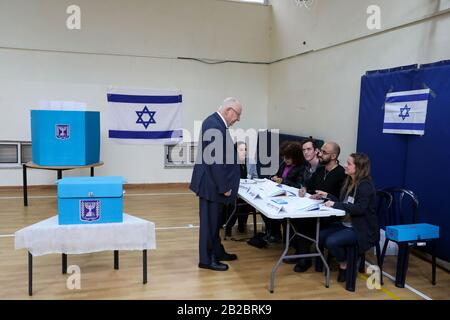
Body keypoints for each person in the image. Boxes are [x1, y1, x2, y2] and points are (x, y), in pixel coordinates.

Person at [190, 97, 242, 271]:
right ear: (229, 111)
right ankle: (206, 259)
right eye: (237, 115)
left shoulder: (216, 122)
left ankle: (217, 251)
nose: (238, 119)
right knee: (209, 224)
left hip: (212, 183)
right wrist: (224, 186)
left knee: (215, 222)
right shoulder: (214, 125)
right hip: (212, 184)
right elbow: (215, 161)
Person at [316, 153, 378, 282]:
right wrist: (327, 195)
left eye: (349, 164)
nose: (345, 165)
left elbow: (360, 209)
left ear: (359, 168)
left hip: (360, 229)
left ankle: (345, 263)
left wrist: (335, 204)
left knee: (331, 241)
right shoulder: (349, 181)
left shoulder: (365, 186)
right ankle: (346, 260)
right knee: (320, 236)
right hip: (346, 224)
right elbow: (343, 202)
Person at [293, 141, 346, 272]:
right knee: (295, 219)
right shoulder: (320, 170)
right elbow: (309, 184)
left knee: (304, 223)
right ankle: (301, 254)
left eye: (323, 152)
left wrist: (326, 196)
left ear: (333, 156)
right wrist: (304, 189)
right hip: (316, 209)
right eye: (320, 151)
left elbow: (341, 199)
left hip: (331, 214)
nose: (319, 154)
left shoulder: (341, 174)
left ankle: (305, 259)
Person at [263, 141, 305, 243]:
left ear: (296, 157)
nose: (285, 160)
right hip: (280, 194)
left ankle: (278, 235)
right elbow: (276, 175)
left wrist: (283, 181)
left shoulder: (302, 167)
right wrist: (273, 177)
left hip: (291, 198)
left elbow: (298, 186)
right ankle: (273, 232)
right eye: (284, 157)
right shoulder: (284, 164)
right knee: (264, 207)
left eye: (288, 158)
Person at [223, 141, 257, 236]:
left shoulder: (251, 161)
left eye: (245, 149)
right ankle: (229, 225)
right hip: (233, 190)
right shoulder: (230, 162)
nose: (244, 152)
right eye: (241, 150)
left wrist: (253, 182)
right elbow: (226, 179)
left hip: (247, 189)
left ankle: (242, 224)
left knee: (247, 202)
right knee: (233, 203)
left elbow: (255, 177)